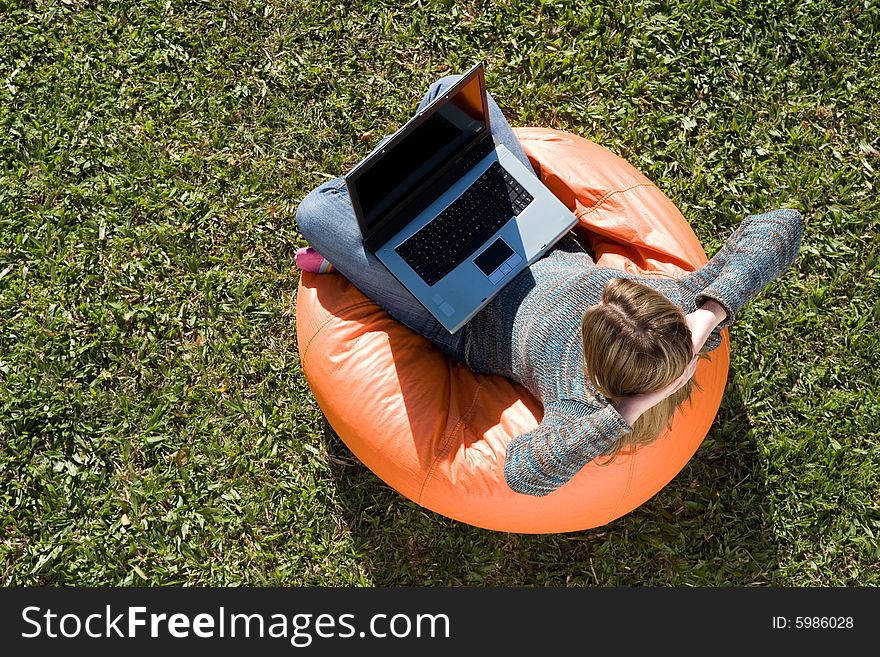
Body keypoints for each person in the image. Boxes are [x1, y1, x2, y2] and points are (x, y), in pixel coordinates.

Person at [295, 75, 803, 497]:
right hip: (535, 239)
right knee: (451, 91)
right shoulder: (678, 314)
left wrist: (628, 409)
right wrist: (708, 313)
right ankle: (408, 201)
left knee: (316, 210)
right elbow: (780, 226)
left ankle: (390, 213)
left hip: (462, 316)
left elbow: (525, 475)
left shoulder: (581, 408)